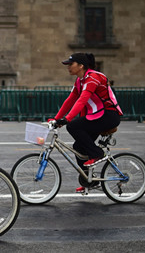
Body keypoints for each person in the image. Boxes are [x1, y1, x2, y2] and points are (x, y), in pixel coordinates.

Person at [49, 53, 122, 193]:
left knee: (72, 126)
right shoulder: (79, 80)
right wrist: (56, 119)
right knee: (79, 147)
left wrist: (67, 119)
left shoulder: (93, 77)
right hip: (96, 116)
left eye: (71, 64)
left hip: (108, 115)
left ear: (81, 65)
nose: (68, 67)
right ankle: (89, 180)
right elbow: (70, 100)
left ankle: (97, 153)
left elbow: (82, 100)